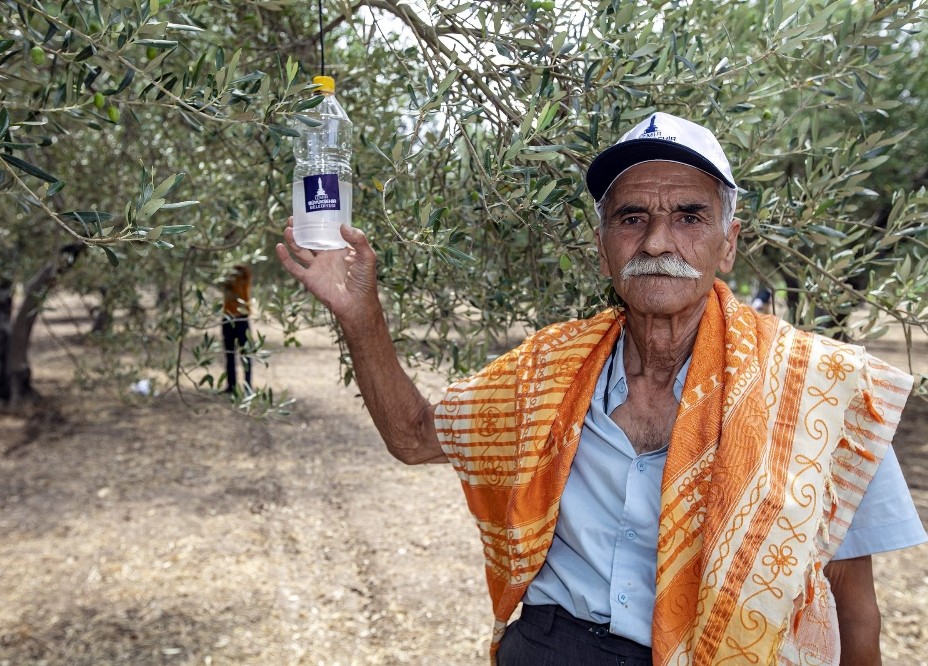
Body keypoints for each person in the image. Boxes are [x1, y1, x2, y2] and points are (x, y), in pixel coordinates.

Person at [276, 112, 926, 666]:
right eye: (632, 217)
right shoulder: (547, 372)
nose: (658, 240)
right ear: (602, 247)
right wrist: (360, 315)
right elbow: (413, 437)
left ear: (729, 245)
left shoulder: (820, 393)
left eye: (690, 216)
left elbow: (854, 606)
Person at [221, 264, 252, 394]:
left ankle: (247, 387)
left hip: (242, 319)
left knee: (246, 355)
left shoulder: (244, 275)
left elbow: (246, 269)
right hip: (227, 319)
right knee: (229, 355)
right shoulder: (226, 277)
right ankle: (231, 386)